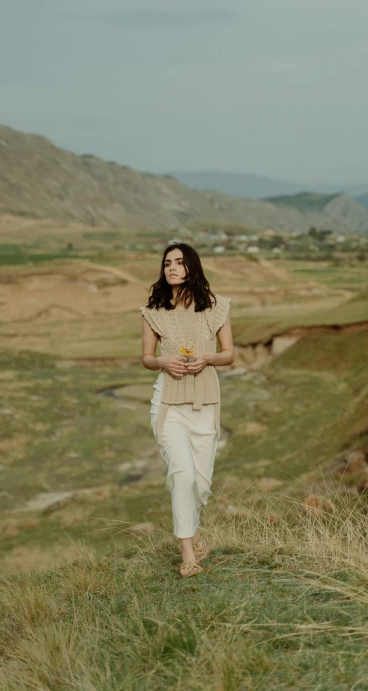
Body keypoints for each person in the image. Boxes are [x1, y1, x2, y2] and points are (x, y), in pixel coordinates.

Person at [140, 243, 234, 578]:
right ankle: (188, 555)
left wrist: (207, 358)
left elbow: (229, 355)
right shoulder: (154, 311)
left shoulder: (217, 307)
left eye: (179, 262)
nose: (172, 268)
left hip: (205, 403)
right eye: (167, 263)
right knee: (182, 474)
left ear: (192, 266)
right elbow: (148, 359)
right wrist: (162, 361)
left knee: (201, 482)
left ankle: (194, 531)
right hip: (168, 404)